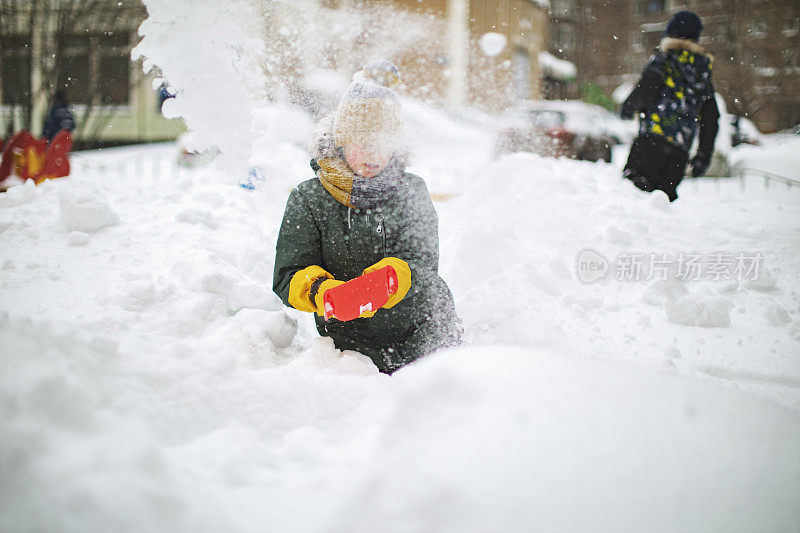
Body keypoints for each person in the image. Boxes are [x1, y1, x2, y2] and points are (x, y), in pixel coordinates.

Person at [273, 61, 462, 374]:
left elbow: (425, 268)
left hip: (424, 337)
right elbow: (287, 275)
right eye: (364, 144)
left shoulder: (411, 190)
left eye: (384, 145)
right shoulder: (309, 198)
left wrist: (388, 282)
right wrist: (324, 293)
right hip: (349, 347)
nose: (375, 157)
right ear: (343, 140)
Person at [620, 11, 719, 202]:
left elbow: (644, 92)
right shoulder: (703, 74)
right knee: (663, 205)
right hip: (678, 154)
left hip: (651, 143)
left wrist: (627, 109)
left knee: (632, 199)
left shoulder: (663, 61)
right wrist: (703, 156)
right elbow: (711, 120)